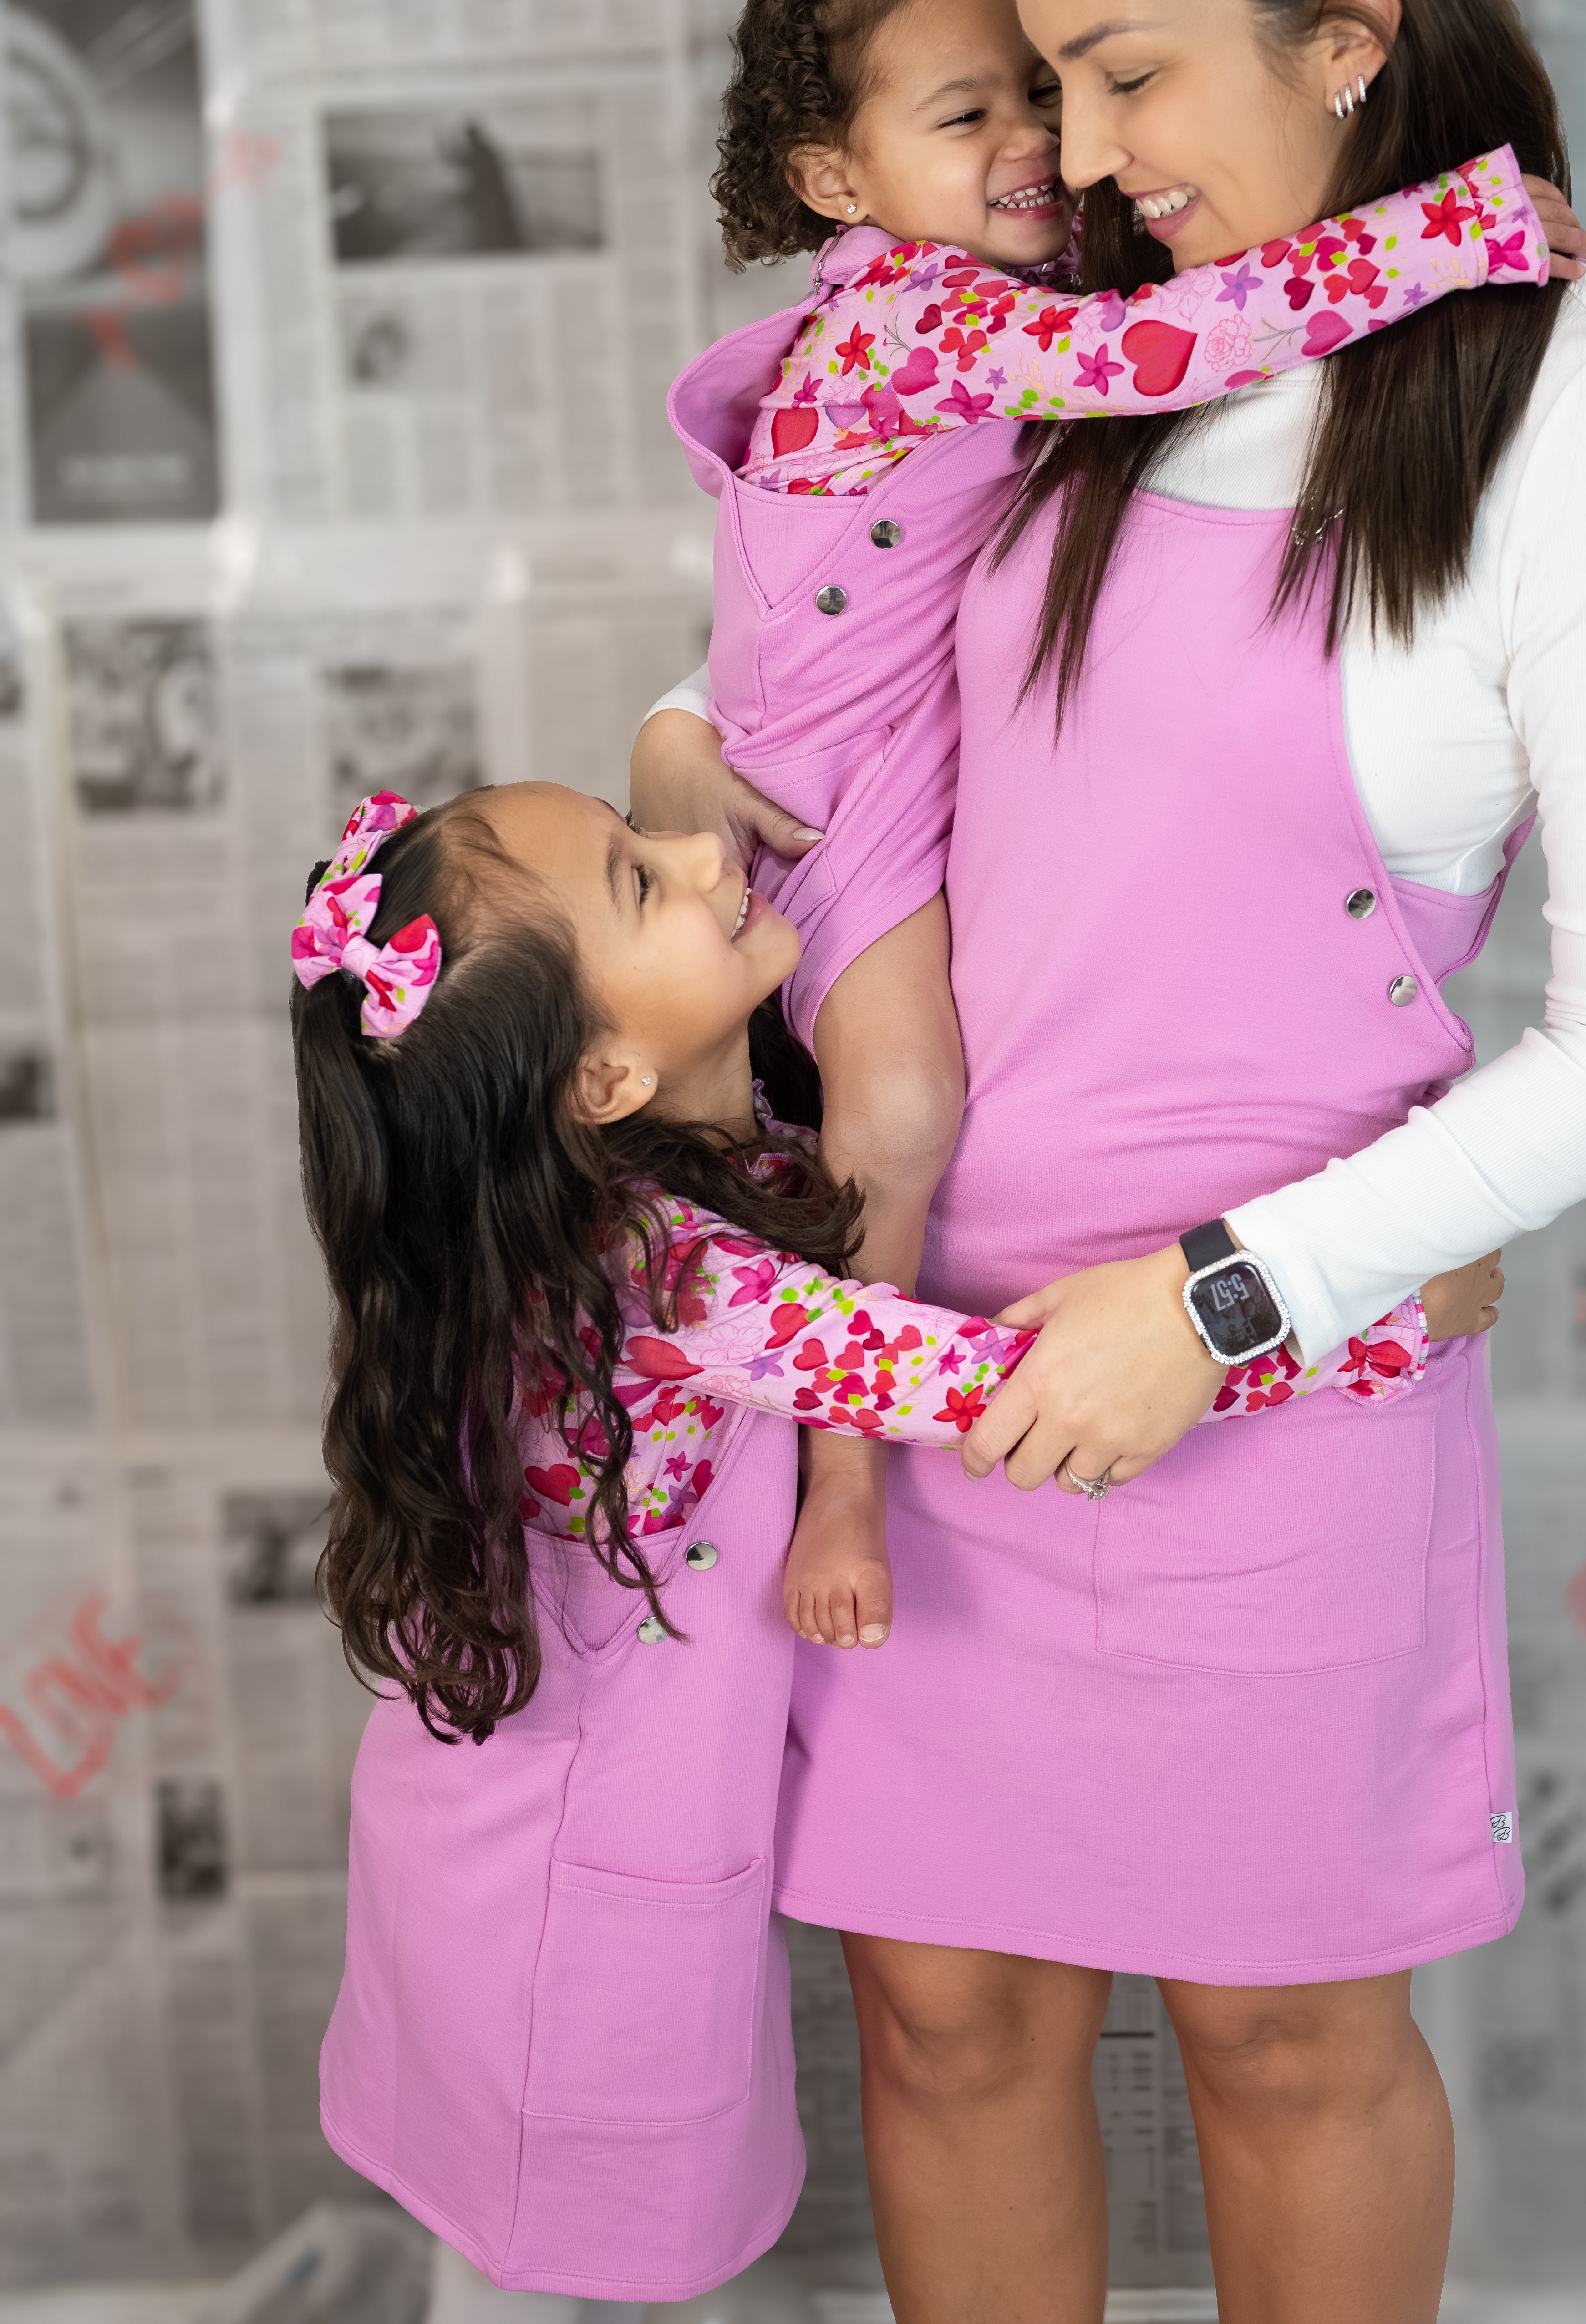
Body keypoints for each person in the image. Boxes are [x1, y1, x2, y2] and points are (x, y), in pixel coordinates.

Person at [630, 0, 1586, 2324]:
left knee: (1285, 2048)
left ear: (1350, 32)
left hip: (1259, 1388)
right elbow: (841, 683)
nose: (1080, 152)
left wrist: (1234, 1298)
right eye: (1041, 79)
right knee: (941, 2023)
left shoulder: (1580, 444)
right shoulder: (1088, 350)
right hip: (920, 1356)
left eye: (1129, 71)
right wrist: (686, 754)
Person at [295, 781, 1427, 2300]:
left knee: (513, 2209)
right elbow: (1018, 1391)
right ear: (606, 1077)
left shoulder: (697, 1170)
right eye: (640, 881)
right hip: (546, 1863)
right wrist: (1370, 1310)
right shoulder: (676, 1280)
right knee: (536, 2231)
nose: (700, 848)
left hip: (495, 1807)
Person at [667, 0, 1580, 1648]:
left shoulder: (999, 277)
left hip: (917, 762)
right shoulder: (913, 315)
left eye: (1045, 88)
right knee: (897, 1119)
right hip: (843, 806)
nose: (1040, 139)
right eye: (967, 117)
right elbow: (1156, 350)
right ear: (836, 182)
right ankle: (843, 1476)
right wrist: (1448, 234)